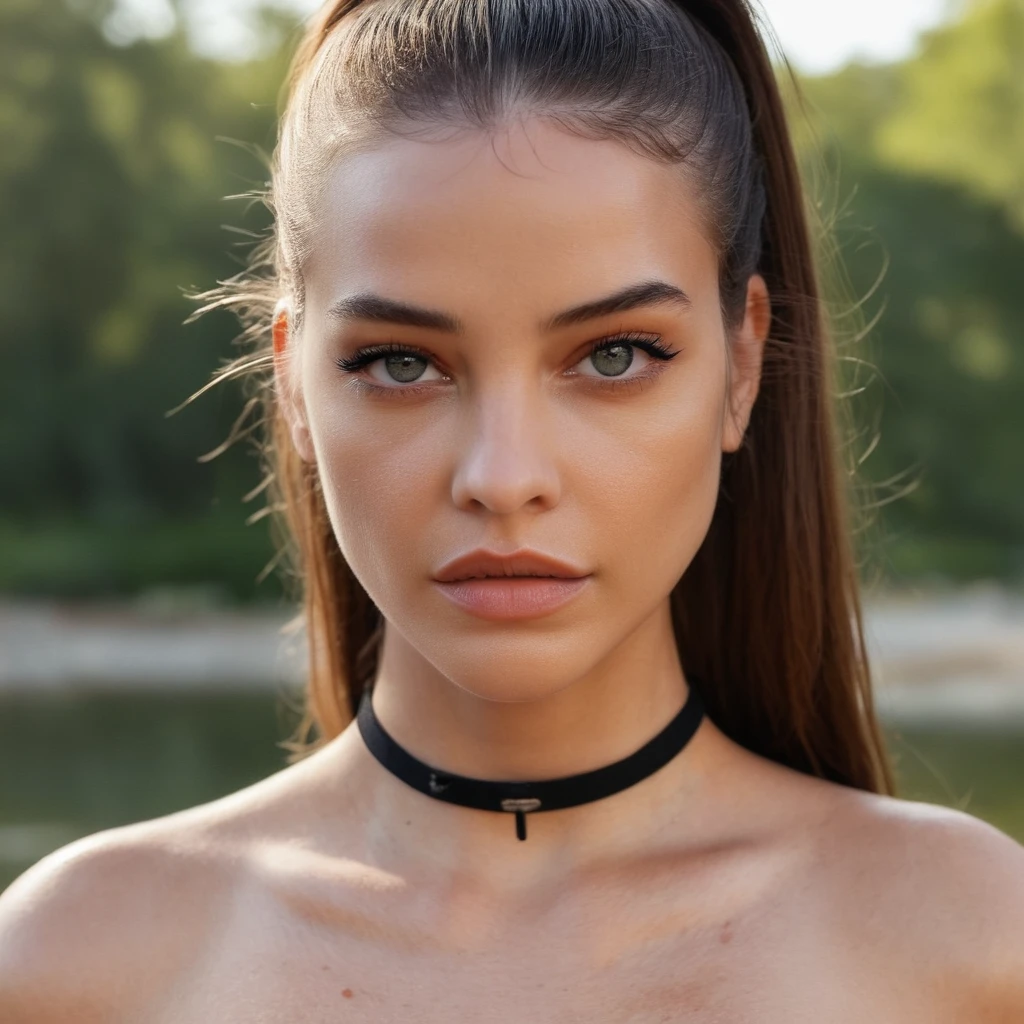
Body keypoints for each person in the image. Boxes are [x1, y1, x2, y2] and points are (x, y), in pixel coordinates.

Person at [2, 0, 1023, 1019]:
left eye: (614, 355)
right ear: (294, 387)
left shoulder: (973, 944)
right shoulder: (68, 965)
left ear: (740, 365)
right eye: (400, 363)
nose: (502, 474)